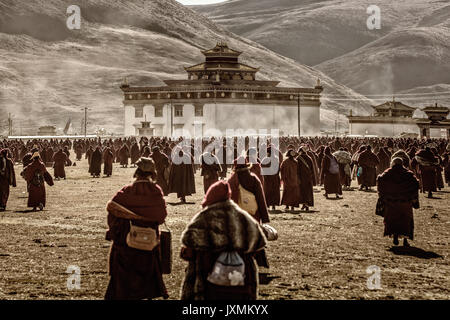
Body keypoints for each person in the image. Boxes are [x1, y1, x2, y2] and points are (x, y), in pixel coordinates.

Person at [180, 180, 266, 300]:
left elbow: (188, 246)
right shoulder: (243, 217)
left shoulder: (203, 218)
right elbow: (259, 243)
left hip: (207, 278)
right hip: (240, 279)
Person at [105, 157, 169, 300]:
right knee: (147, 283)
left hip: (126, 245)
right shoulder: (156, 191)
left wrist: (118, 233)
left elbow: (112, 211)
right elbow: (161, 216)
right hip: (149, 244)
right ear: (152, 174)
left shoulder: (127, 190)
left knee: (123, 286)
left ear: (137, 172)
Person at [228, 156, 270, 268]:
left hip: (238, 215)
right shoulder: (253, 178)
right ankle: (261, 262)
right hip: (253, 214)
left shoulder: (232, 181)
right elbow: (261, 199)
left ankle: (240, 261)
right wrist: (265, 218)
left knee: (240, 237)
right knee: (255, 236)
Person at [377, 157, 420, 247]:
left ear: (393, 163)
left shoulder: (388, 173)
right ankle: (405, 240)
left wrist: (383, 196)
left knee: (392, 219)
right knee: (406, 220)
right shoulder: (408, 174)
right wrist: (413, 198)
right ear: (402, 164)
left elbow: (380, 180)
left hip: (391, 202)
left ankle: (395, 237)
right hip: (405, 202)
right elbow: (415, 184)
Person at [296, 147, 315, 211]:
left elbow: (297, 169)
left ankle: (304, 204)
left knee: (302, 191)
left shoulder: (298, 158)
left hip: (301, 177)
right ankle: (306, 204)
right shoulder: (309, 158)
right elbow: (312, 169)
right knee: (308, 191)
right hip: (308, 178)